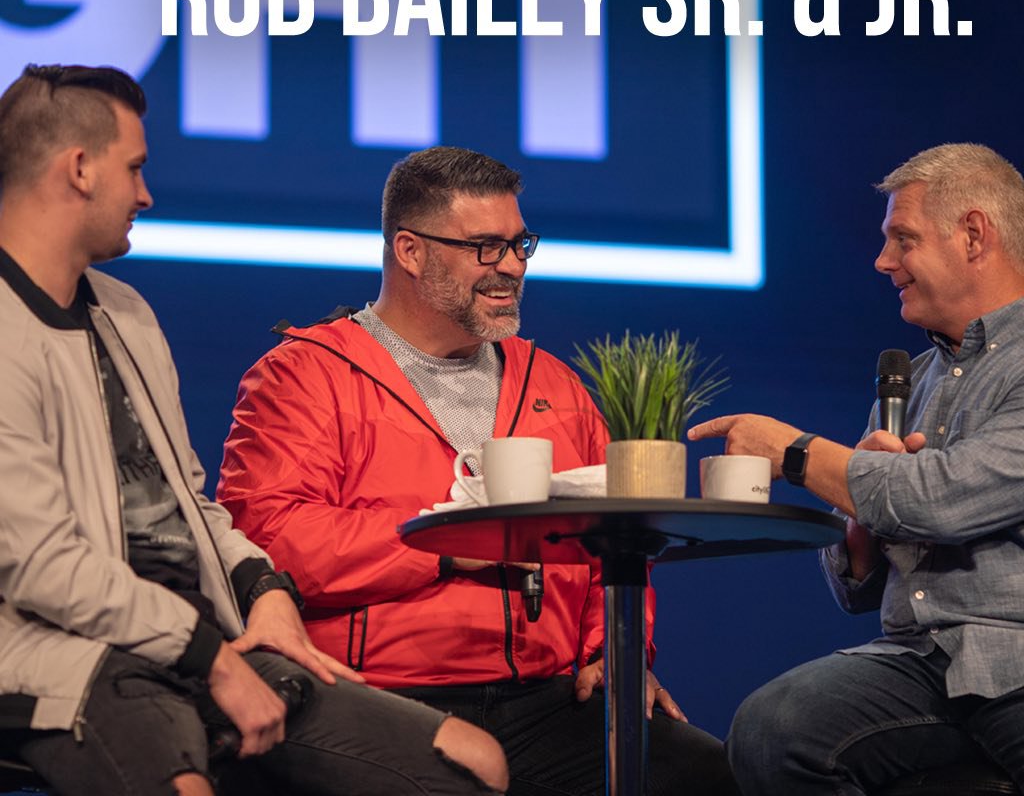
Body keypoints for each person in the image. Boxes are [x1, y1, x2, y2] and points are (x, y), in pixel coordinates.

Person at [0, 65, 507, 796]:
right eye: (134, 168)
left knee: (474, 764)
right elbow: (44, 567)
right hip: (66, 658)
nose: (145, 194)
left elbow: (190, 505)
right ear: (78, 169)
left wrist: (262, 588)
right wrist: (208, 655)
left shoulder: (126, 313)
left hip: (195, 644)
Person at [218, 145, 738, 796]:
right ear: (410, 251)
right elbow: (270, 539)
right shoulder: (304, 375)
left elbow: (612, 536)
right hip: (374, 691)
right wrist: (451, 541)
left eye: (520, 245)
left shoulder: (555, 385)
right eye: (486, 248)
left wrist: (612, 651)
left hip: (544, 698)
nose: (512, 266)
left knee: (700, 773)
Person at [688, 143, 1024, 794]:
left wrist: (795, 452)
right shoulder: (910, 382)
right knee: (772, 729)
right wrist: (861, 520)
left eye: (903, 239)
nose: (883, 261)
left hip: (1013, 657)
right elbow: (857, 592)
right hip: (920, 660)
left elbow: (941, 501)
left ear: (973, 234)